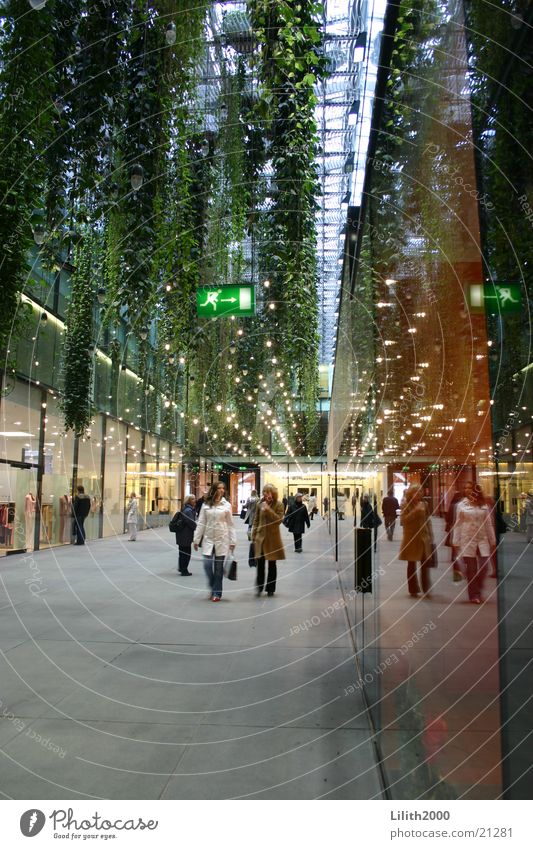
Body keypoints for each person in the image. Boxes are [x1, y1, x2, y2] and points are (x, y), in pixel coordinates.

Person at [453, 483, 496, 604]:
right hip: (467, 539)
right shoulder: (461, 505)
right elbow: (458, 524)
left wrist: (492, 540)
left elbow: (488, 523)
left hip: (482, 540)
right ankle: (474, 595)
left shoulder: (483, 505)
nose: (467, 490)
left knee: (484, 567)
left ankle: (477, 587)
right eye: (465, 488)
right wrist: (455, 541)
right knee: (471, 569)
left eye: (470, 488)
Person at [193, 481, 236, 602]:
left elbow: (231, 524)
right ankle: (213, 586)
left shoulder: (226, 505)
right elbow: (201, 523)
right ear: (214, 490)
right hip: (208, 539)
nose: (222, 490)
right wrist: (196, 539)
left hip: (222, 540)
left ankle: (217, 592)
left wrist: (233, 541)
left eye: (223, 488)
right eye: (219, 488)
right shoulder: (206, 504)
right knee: (207, 565)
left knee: (218, 569)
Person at [399, 485, 433, 598]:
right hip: (411, 538)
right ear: (410, 493)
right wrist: (415, 511)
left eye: (420, 492)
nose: (418, 494)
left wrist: (430, 535)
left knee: (425, 564)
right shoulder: (405, 505)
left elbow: (427, 520)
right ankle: (413, 589)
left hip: (423, 538)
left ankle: (426, 587)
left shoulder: (425, 504)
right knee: (411, 564)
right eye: (415, 492)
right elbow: (404, 520)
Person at [251, 484, 285, 596]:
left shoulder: (279, 504)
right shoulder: (259, 504)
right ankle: (259, 587)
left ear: (273, 493)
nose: (265, 494)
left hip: (273, 539)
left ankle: (270, 588)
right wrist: (254, 534)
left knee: (272, 564)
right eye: (264, 492)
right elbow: (256, 520)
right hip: (261, 538)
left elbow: (279, 520)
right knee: (260, 564)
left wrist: (268, 510)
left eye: (268, 492)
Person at [172, 494, 197, 575]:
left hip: (182, 535)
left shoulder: (185, 508)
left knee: (182, 552)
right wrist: (196, 526)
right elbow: (191, 523)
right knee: (186, 553)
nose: (195, 500)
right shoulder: (188, 511)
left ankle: (182, 568)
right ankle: (184, 570)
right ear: (189, 501)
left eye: (194, 499)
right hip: (185, 535)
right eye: (193, 499)